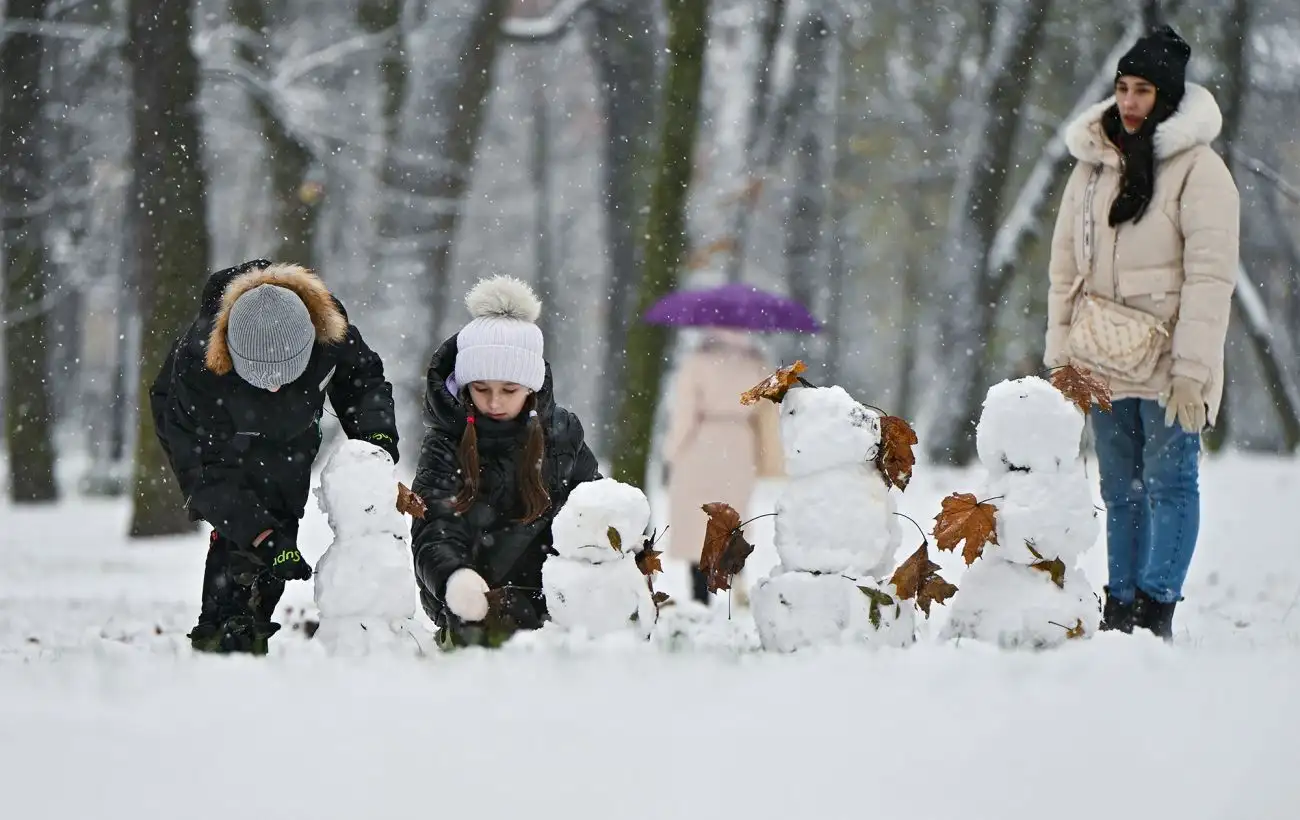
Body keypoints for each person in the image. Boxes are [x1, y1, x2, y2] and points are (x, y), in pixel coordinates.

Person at [1044, 26, 1239, 640]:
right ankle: (1120, 607)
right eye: (1122, 88)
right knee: (1119, 487)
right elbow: (1063, 271)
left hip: (1169, 362)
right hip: (1101, 355)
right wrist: (1061, 358)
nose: (1129, 102)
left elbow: (1210, 281)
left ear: (1169, 96)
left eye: (1144, 90)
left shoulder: (1200, 172)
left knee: (1169, 482)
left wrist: (1193, 371)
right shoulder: (1093, 168)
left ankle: (1157, 610)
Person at [151, 259, 399, 654]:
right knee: (243, 531)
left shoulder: (329, 329)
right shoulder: (198, 366)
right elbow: (204, 471)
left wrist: (376, 441)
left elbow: (363, 382)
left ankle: (255, 613)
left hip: (293, 437)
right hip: (219, 434)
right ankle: (223, 628)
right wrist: (260, 536)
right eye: (261, 374)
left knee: (282, 516)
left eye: (287, 371)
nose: (274, 386)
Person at [409, 275, 600, 648]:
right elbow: (434, 530)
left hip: (553, 597)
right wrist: (455, 579)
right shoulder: (445, 444)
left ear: (530, 387)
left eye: (509, 390)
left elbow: (591, 506)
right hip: (471, 598)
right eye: (481, 389)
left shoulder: (562, 431)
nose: (494, 402)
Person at [662, 328, 784, 604]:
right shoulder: (757, 363)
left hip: (700, 444)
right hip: (741, 447)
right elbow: (768, 416)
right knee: (730, 518)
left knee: (697, 524)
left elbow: (685, 413)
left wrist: (671, 451)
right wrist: (769, 460)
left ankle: (698, 595)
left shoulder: (697, 361)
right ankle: (732, 582)